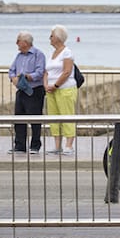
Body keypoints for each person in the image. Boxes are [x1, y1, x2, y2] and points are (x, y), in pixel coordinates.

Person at [8, 31, 46, 154]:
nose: (16, 43)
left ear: (25, 42)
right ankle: (20, 145)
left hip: (34, 90)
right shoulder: (19, 56)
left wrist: (28, 76)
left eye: (18, 40)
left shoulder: (38, 55)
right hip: (21, 90)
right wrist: (13, 78)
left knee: (35, 118)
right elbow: (11, 70)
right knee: (19, 117)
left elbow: (40, 72)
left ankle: (35, 145)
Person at [44, 25, 78, 155]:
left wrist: (56, 85)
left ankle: (69, 146)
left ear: (57, 38)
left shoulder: (67, 52)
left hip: (65, 89)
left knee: (67, 116)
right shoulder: (52, 53)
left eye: (51, 35)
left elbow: (67, 71)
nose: (50, 38)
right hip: (51, 90)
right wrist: (46, 85)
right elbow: (46, 71)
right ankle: (57, 146)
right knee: (54, 117)